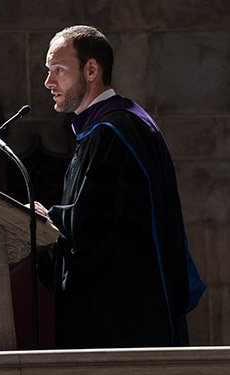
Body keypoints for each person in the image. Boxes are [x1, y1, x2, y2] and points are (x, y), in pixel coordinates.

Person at [34, 25, 205, 349]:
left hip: (122, 320)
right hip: (123, 313)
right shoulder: (109, 127)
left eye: (58, 70)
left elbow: (97, 230)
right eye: (48, 71)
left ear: (91, 70)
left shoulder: (114, 132)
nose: (49, 82)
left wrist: (45, 222)